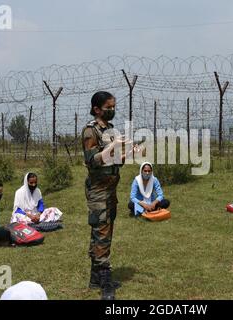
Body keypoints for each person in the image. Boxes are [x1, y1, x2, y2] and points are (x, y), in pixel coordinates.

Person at [81, 91, 135, 300]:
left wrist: (128, 153)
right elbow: (93, 160)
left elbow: (113, 160)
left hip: (111, 189)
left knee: (105, 230)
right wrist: (113, 145)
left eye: (114, 106)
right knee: (101, 231)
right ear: (97, 109)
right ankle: (105, 282)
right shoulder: (90, 131)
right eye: (108, 107)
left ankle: (96, 277)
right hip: (98, 190)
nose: (112, 110)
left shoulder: (111, 130)